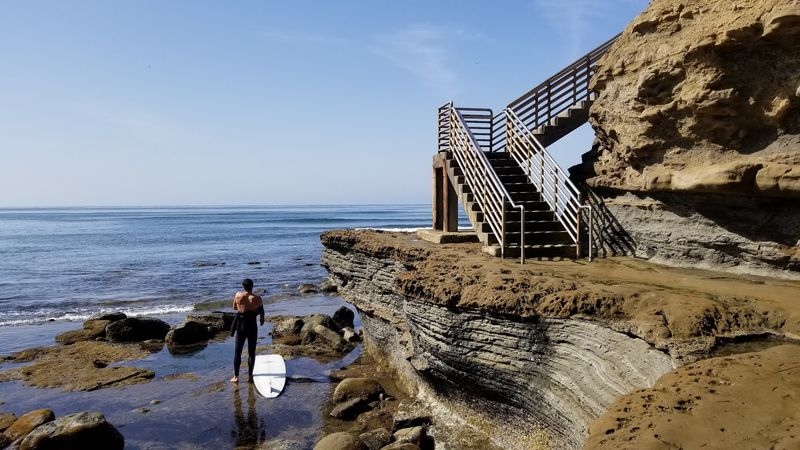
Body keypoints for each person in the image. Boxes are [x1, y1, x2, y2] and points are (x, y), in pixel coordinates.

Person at [231, 278, 264, 383]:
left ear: (243, 286)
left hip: (241, 325)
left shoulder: (237, 295)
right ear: (252, 286)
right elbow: (262, 314)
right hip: (252, 326)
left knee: (238, 352)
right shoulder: (258, 298)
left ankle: (236, 377)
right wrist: (260, 318)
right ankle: (250, 376)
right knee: (251, 352)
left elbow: (235, 308)